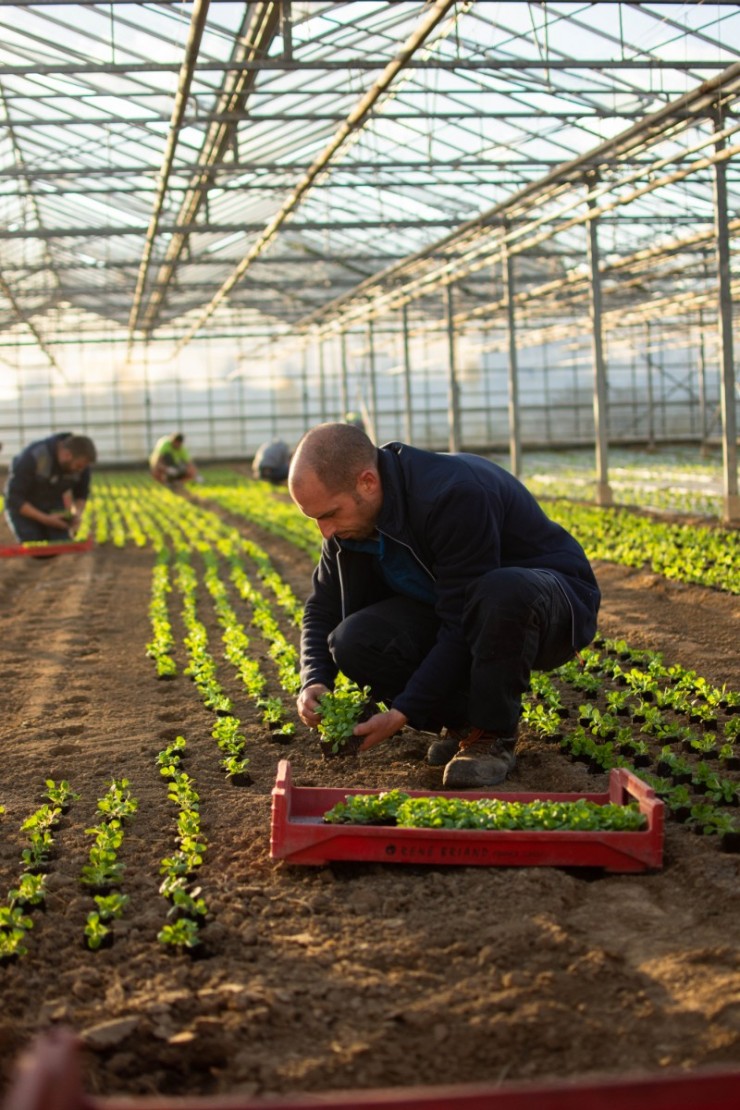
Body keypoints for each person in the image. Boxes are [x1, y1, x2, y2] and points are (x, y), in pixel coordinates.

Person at [288, 423, 601, 788]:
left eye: (328, 514)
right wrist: (314, 680)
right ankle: (464, 724)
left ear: (367, 482)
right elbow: (321, 608)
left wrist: (402, 712)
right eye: (314, 519)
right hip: (464, 609)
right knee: (354, 639)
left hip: (549, 603)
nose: (324, 531)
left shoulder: (451, 494)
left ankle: (492, 736)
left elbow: (460, 618)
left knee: (500, 590)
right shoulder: (350, 524)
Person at [3, 432, 97, 544]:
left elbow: (81, 493)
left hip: (52, 504)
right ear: (67, 455)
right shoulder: (35, 455)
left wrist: (76, 515)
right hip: (25, 508)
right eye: (78, 466)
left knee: (61, 544)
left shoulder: (81, 464)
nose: (80, 470)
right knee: (36, 547)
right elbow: (14, 499)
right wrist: (46, 519)